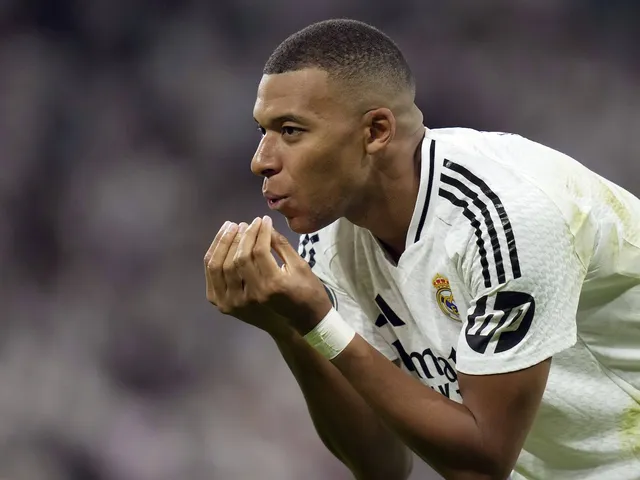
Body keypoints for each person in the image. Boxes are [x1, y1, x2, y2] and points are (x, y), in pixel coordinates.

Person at [203, 18, 640, 480]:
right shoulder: (330, 237)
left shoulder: (503, 218)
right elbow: (382, 464)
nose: (260, 161)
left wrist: (317, 321)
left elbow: (482, 465)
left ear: (376, 131)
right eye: (262, 131)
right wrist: (294, 331)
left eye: (291, 131)